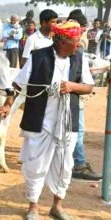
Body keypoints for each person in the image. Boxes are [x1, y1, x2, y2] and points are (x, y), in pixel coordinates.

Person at [14, 21, 94, 220]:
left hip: (67, 122)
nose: (79, 44)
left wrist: (72, 86)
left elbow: (88, 87)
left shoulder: (79, 58)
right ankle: (33, 206)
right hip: (39, 121)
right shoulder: (38, 57)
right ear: (63, 41)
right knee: (36, 164)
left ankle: (57, 206)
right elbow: (18, 83)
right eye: (76, 40)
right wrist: (8, 105)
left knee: (64, 165)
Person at [67, 9, 103, 182]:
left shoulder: (66, 44)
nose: (83, 30)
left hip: (72, 92)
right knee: (77, 130)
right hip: (72, 94)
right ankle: (79, 164)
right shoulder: (75, 46)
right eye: (81, 27)